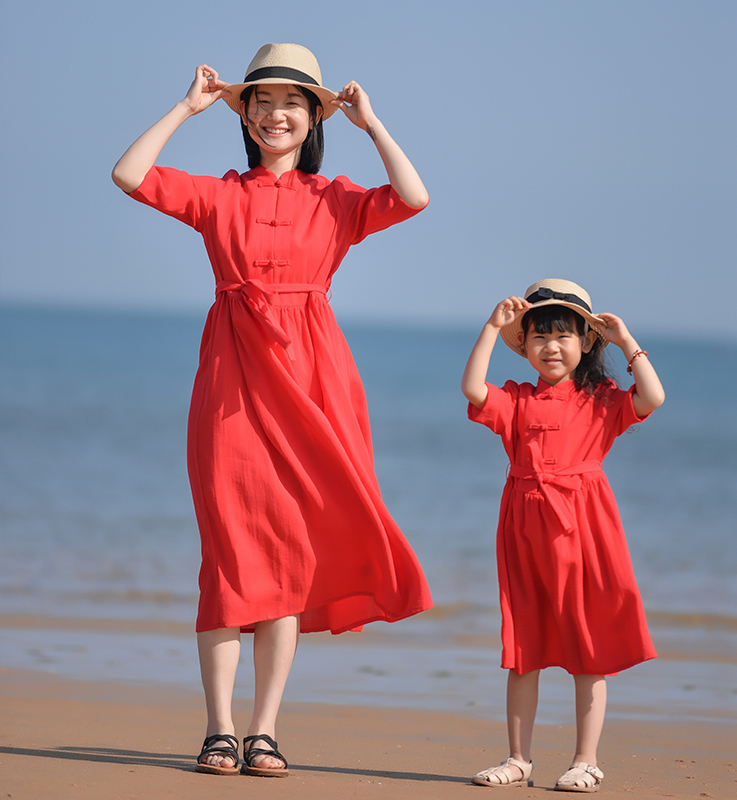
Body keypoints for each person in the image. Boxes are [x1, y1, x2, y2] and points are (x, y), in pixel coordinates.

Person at [112, 43, 433, 777]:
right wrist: (187, 108)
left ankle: (264, 731)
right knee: (229, 552)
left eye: (291, 102)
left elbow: (414, 197)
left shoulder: (337, 199)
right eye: (260, 102)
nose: (274, 113)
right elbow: (128, 174)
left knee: (288, 556)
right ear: (247, 116)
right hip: (230, 379)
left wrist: (373, 124)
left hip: (314, 380)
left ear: (312, 115)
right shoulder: (218, 194)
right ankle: (218, 729)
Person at [461, 279, 665, 792]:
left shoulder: (601, 400)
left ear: (585, 343)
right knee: (523, 645)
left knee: (589, 645)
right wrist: (491, 327)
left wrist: (627, 342)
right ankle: (518, 759)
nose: (551, 346)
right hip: (524, 527)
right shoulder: (517, 398)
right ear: (525, 346)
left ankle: (585, 760)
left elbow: (654, 396)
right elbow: (472, 389)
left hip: (586, 526)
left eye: (564, 336)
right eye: (538, 337)